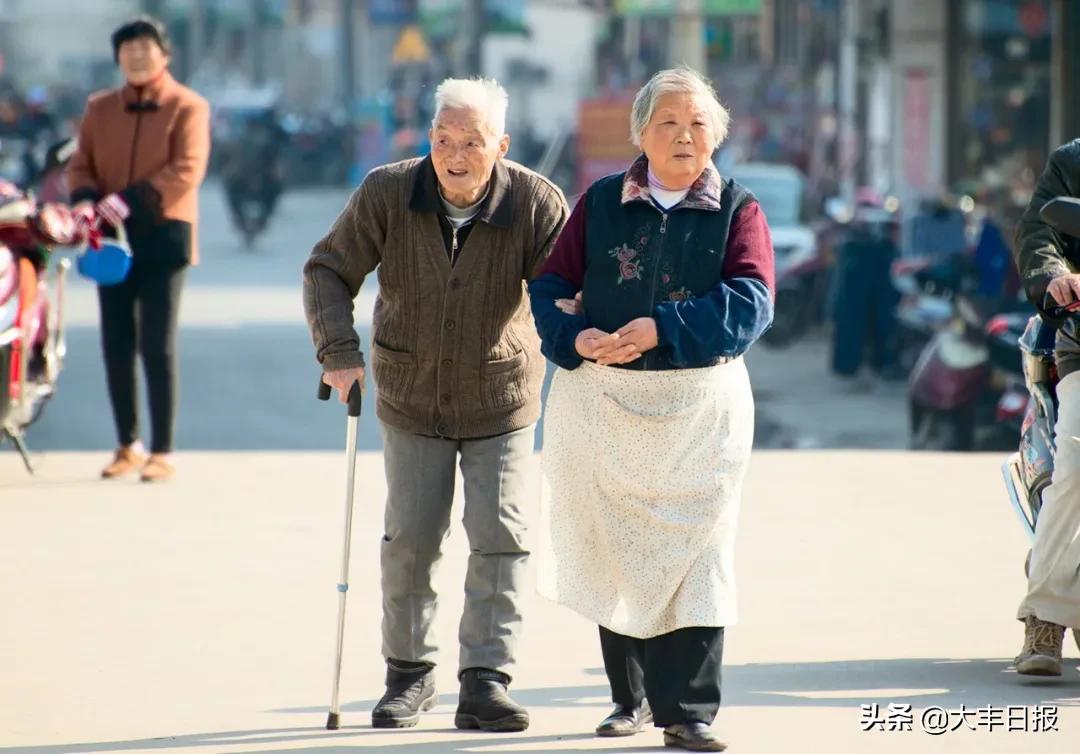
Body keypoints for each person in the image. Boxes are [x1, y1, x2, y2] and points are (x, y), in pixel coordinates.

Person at [302, 78, 568, 732]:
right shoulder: (388, 193)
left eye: (471, 142)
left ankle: (485, 681)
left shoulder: (535, 203)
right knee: (411, 541)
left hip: (500, 397)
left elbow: (567, 289)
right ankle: (409, 677)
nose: (454, 153)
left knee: (501, 539)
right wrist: (338, 349)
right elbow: (329, 270)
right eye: (443, 139)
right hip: (411, 393)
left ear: (500, 146)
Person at [529, 67, 775, 752]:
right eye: (667, 121)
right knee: (618, 545)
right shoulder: (603, 201)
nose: (683, 135)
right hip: (605, 400)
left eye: (698, 123)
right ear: (641, 133)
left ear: (716, 135)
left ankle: (689, 711)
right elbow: (550, 283)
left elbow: (752, 301)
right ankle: (627, 698)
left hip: (698, 409)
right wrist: (571, 334)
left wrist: (664, 327)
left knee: (698, 554)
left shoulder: (737, 209)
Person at [67, 15, 211, 482]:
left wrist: (126, 201)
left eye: (145, 48)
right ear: (118, 58)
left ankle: (162, 451)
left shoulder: (188, 106)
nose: (137, 56)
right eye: (128, 49)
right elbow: (81, 165)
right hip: (109, 239)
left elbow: (187, 169)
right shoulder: (99, 108)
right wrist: (87, 201)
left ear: (164, 54)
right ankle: (127, 443)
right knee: (116, 342)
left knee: (157, 343)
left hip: (164, 233)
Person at [1013, 137, 1080, 676]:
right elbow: (1040, 233)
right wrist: (1055, 276)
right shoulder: (1073, 161)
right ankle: (1047, 615)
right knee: (1077, 465)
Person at [830, 193, 902, 382]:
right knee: (851, 321)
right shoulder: (851, 235)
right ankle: (848, 365)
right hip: (856, 276)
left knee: (884, 320)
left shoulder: (887, 228)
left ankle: (882, 362)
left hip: (880, 274)